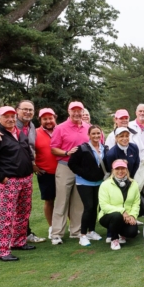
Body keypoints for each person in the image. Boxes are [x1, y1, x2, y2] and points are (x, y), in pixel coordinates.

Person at [0, 100, 46, 243]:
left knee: (23, 214)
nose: (10, 119)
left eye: (12, 116)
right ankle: (3, 250)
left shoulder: (24, 130)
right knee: (6, 216)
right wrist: (1, 178)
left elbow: (27, 150)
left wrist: (31, 165)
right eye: (6, 116)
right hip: (9, 180)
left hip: (25, 177)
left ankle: (19, 242)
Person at [50, 101, 90, 245]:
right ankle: (56, 234)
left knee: (79, 201)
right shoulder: (60, 128)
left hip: (82, 168)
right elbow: (54, 148)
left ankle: (76, 231)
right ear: (69, 111)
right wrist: (67, 152)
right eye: (74, 110)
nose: (77, 113)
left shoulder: (88, 128)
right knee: (62, 200)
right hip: (65, 166)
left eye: (79, 110)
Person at [68, 124, 108, 246]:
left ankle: (92, 231)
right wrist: (84, 174)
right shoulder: (82, 148)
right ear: (89, 135)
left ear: (101, 134)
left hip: (99, 182)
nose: (96, 136)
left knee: (95, 206)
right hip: (84, 182)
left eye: (98, 133)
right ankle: (83, 235)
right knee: (88, 207)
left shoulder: (105, 148)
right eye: (93, 133)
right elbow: (72, 164)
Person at [97, 160, 140, 251]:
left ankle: (122, 234)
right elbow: (104, 206)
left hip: (127, 216)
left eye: (123, 168)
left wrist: (133, 215)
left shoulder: (134, 184)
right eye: (117, 168)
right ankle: (114, 239)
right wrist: (122, 211)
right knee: (117, 215)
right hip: (108, 216)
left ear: (126, 169)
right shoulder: (105, 185)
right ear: (113, 170)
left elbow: (136, 203)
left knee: (132, 233)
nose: (120, 171)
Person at [34, 108, 58, 241]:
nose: (48, 121)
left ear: (55, 118)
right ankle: (52, 227)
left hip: (63, 171)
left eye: (50, 118)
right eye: (45, 119)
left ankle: (73, 226)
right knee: (49, 200)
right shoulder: (35, 133)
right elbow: (28, 149)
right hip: (45, 172)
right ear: (40, 120)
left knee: (68, 200)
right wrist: (33, 164)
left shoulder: (61, 130)